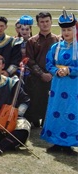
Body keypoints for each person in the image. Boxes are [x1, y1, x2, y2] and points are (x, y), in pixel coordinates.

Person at [41, 10, 77, 156]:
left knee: (72, 112)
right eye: (64, 30)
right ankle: (56, 142)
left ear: (74, 30)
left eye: (69, 29)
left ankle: (68, 143)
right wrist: (56, 71)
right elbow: (48, 63)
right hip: (58, 85)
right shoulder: (56, 47)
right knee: (56, 111)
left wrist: (70, 70)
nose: (66, 32)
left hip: (74, 86)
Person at [25, 12, 59, 128]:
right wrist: (41, 74)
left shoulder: (58, 40)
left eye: (47, 21)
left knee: (50, 102)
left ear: (51, 22)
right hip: (36, 78)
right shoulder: (32, 41)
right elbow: (30, 61)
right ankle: (33, 123)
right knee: (35, 102)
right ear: (38, 24)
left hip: (53, 77)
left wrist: (51, 73)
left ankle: (48, 124)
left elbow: (59, 61)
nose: (45, 24)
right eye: (42, 22)